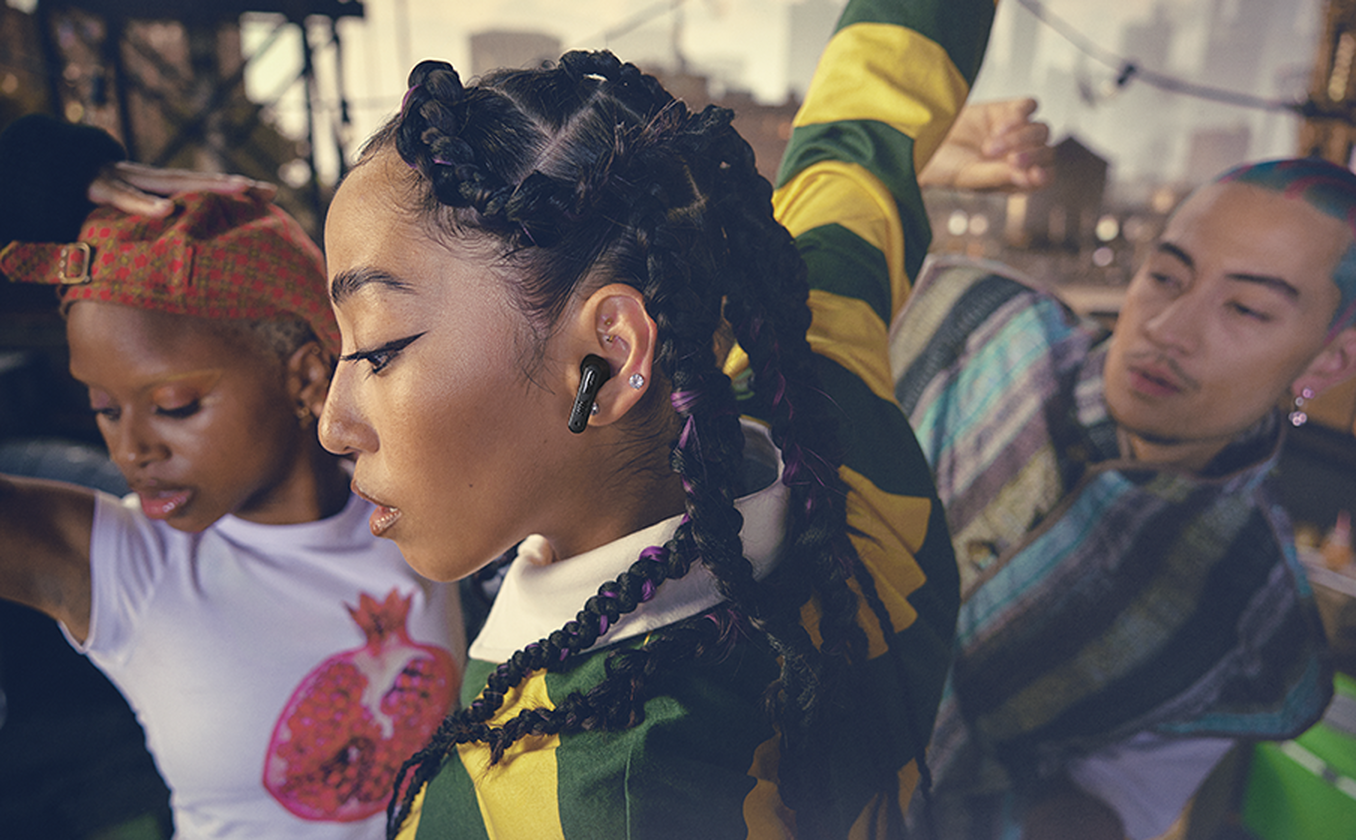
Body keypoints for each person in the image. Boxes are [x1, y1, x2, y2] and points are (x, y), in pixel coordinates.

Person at [314, 0, 996, 835]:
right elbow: (855, 157)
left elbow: (863, 130)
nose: (332, 424)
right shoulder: (828, 413)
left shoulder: (609, 801)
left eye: (377, 349)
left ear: (605, 356)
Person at [0, 114, 466, 840]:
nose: (133, 449)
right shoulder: (122, 568)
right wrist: (20, 182)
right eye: (104, 410)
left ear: (304, 375)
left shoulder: (421, 498)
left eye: (174, 406)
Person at [891, 153, 1356, 839]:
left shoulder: (1250, 619)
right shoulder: (968, 320)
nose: (1168, 329)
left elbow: (1118, 802)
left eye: (1246, 308)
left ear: (1327, 360)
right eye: (1166, 276)